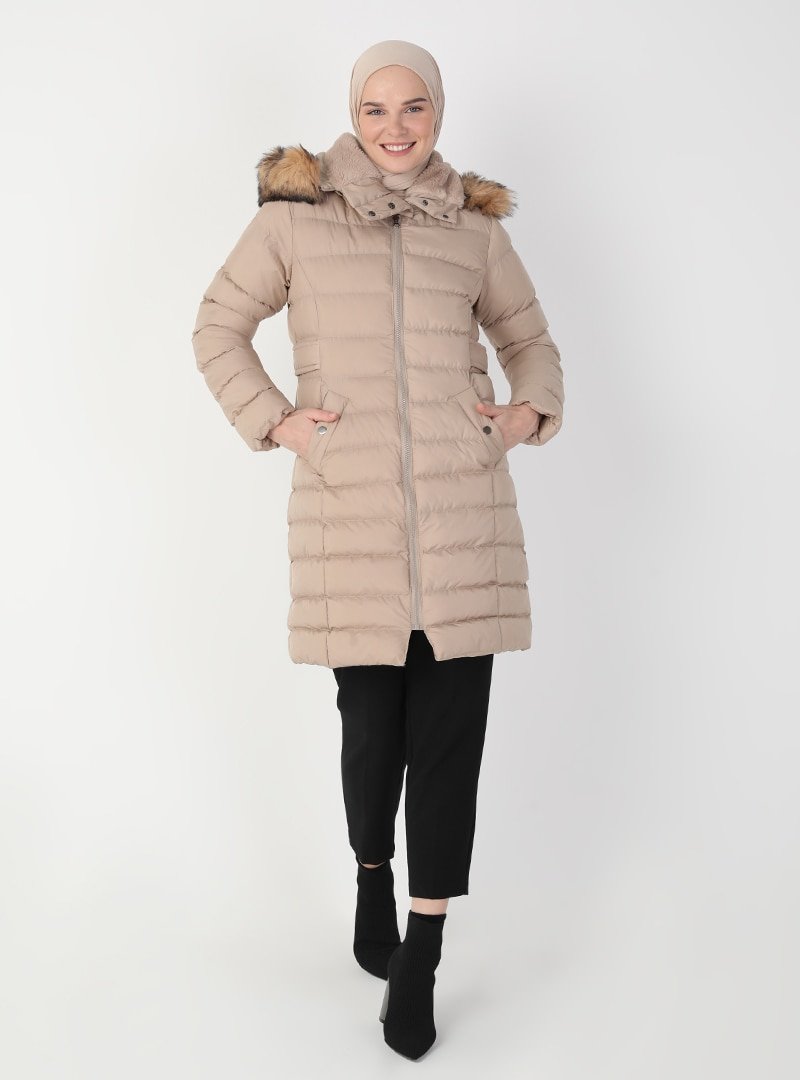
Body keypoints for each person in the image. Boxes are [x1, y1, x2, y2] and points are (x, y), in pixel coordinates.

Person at [191, 38, 565, 1062]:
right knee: (372, 736)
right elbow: (217, 327)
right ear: (352, 114)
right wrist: (278, 421)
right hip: (349, 519)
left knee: (449, 747)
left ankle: (423, 951)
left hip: (464, 523)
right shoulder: (295, 218)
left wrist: (524, 414)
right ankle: (371, 876)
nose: (395, 128)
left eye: (413, 109)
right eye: (375, 110)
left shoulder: (473, 232)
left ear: (436, 113)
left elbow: (530, 341)